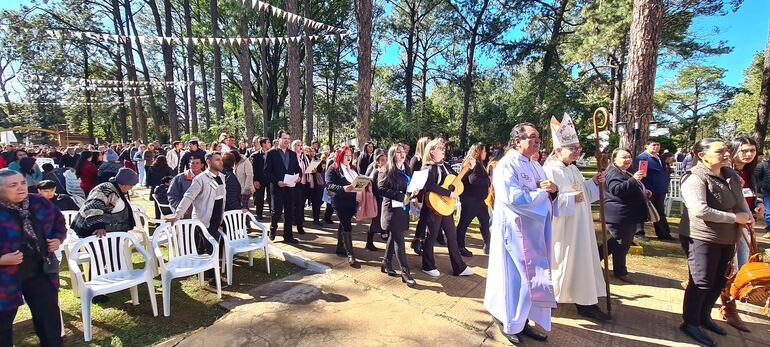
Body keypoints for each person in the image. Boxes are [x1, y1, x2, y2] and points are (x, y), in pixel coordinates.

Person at [484, 123, 556, 344]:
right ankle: (510, 323)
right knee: (521, 279)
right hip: (516, 232)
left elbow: (546, 191)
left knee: (532, 279)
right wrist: (542, 194)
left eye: (538, 138)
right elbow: (513, 197)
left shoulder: (535, 165)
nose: (537, 141)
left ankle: (523, 321)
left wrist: (553, 189)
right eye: (532, 137)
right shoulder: (507, 165)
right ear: (517, 141)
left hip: (535, 232)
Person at [679, 138, 751, 347]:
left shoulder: (730, 175)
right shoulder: (694, 178)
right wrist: (734, 218)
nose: (727, 154)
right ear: (703, 155)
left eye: (727, 150)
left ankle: (704, 317)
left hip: (728, 237)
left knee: (719, 280)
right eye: (720, 152)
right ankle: (690, 322)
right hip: (702, 237)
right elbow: (699, 210)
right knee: (701, 281)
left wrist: (747, 216)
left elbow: (740, 202)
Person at [541, 115, 609, 321]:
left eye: (578, 147)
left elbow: (584, 194)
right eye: (572, 148)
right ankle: (557, 298)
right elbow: (548, 200)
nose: (577, 151)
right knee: (563, 262)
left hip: (581, 226)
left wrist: (593, 183)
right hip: (564, 227)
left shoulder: (572, 168)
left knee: (583, 262)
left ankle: (585, 301)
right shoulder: (550, 169)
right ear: (559, 150)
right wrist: (570, 198)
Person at [0, 169, 66, 346]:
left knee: (48, 319)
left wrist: (58, 239)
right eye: (13, 185)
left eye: (22, 183)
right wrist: (2, 260)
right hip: (4, 279)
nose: (21, 188)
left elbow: (59, 222)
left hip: (38, 270)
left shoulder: (38, 202)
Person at [718, 137, 762, 332]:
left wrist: (758, 204)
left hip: (745, 226)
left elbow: (752, 193)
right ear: (734, 150)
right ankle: (728, 306)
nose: (748, 154)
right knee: (731, 267)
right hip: (729, 226)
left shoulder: (749, 171)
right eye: (744, 150)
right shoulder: (726, 171)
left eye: (752, 150)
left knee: (740, 265)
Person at [168, 152, 226, 287]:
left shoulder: (222, 177)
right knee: (211, 247)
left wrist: (222, 214)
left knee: (209, 245)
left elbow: (222, 197)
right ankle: (213, 278)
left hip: (216, 219)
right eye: (217, 160)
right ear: (209, 162)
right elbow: (188, 197)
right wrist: (177, 215)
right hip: (203, 219)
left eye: (221, 160)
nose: (220, 162)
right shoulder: (200, 179)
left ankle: (206, 272)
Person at [419, 139, 473, 277]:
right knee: (431, 237)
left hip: (446, 207)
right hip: (433, 206)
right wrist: (449, 193)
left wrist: (467, 169)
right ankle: (427, 265)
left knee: (452, 236)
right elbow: (430, 186)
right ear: (432, 152)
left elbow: (456, 180)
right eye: (439, 147)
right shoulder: (427, 167)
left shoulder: (446, 166)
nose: (443, 149)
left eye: (443, 147)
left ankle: (459, 267)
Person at [603, 148, 648, 284]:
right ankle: (620, 271)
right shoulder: (612, 172)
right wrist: (634, 180)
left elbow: (629, 188)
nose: (627, 160)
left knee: (616, 243)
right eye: (623, 157)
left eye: (629, 157)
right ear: (614, 159)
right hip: (619, 215)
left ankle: (591, 261)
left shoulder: (624, 172)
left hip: (627, 215)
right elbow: (616, 190)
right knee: (621, 244)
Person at [378, 144, 416, 287]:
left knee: (394, 236)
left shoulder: (406, 168)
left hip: (403, 208)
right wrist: (399, 196)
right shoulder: (386, 169)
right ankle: (405, 273)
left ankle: (386, 262)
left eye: (403, 152)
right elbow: (381, 189)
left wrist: (413, 191)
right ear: (392, 155)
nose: (402, 154)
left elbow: (408, 186)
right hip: (391, 211)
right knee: (400, 240)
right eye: (398, 152)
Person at [71, 167, 139, 239]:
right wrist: (98, 226)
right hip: (94, 232)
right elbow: (93, 206)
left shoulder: (117, 189)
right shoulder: (105, 189)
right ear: (125, 184)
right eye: (132, 185)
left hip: (109, 232)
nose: (131, 188)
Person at [326, 146, 364, 267]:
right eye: (346, 155)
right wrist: (343, 188)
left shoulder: (352, 168)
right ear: (340, 156)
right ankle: (350, 254)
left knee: (343, 224)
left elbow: (357, 181)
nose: (349, 158)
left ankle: (340, 247)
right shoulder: (333, 169)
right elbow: (329, 185)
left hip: (352, 202)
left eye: (350, 155)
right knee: (347, 226)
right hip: (339, 203)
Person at [264, 130, 301, 244]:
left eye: (288, 139)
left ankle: (288, 236)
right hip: (277, 187)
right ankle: (273, 228)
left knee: (289, 212)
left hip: (290, 187)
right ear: (279, 139)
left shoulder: (293, 154)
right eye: (284, 138)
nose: (287, 141)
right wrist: (277, 181)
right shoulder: (271, 153)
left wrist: (299, 176)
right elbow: (267, 172)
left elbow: (297, 169)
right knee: (277, 211)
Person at [634, 139, 674, 241]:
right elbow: (639, 175)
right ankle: (639, 233)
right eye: (653, 145)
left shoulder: (660, 158)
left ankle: (664, 234)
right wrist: (642, 188)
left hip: (660, 190)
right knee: (641, 211)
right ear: (646, 146)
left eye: (658, 145)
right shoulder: (643, 158)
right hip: (648, 190)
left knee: (660, 212)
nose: (656, 147)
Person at [456, 143, 491, 257]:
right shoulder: (472, 163)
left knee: (485, 221)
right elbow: (473, 180)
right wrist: (488, 180)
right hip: (470, 200)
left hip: (479, 200)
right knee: (464, 223)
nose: (486, 153)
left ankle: (488, 246)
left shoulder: (479, 164)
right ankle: (459, 246)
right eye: (484, 151)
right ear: (479, 151)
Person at [410, 136, 432, 255]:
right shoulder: (416, 160)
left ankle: (419, 241)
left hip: (427, 194)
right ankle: (417, 241)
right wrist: (414, 196)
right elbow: (412, 178)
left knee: (425, 219)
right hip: (419, 194)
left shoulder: (425, 160)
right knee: (423, 219)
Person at [168, 155, 204, 219]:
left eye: (197, 163)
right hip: (186, 214)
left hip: (203, 214)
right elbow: (172, 195)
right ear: (189, 165)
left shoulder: (207, 178)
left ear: (202, 165)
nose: (194, 165)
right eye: (192, 163)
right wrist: (181, 208)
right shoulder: (179, 178)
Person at [251, 137, 271, 220]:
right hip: (259, 179)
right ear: (263, 144)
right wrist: (255, 180)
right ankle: (259, 214)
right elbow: (254, 169)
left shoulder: (272, 154)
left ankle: (274, 213)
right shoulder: (255, 155)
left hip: (270, 179)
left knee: (271, 197)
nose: (270, 144)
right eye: (268, 142)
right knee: (259, 197)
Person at [304, 146, 325, 226]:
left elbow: (320, 171)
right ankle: (300, 218)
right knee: (301, 202)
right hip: (306, 184)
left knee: (317, 202)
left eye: (313, 151)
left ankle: (316, 219)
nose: (312, 153)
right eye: (310, 151)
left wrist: (315, 170)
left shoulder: (318, 160)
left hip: (316, 185)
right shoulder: (305, 159)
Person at [756, 149, 770, 239]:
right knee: (769, 211)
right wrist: (762, 186)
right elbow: (756, 177)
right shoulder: (763, 165)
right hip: (767, 191)